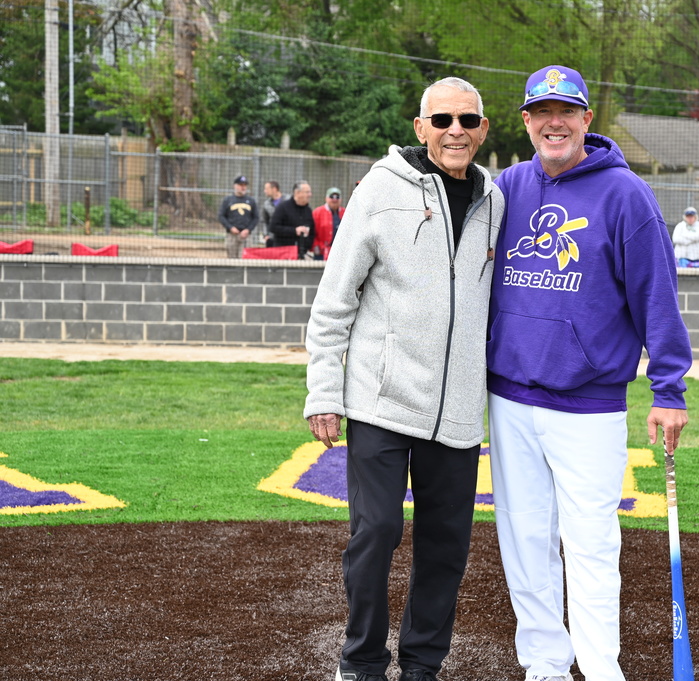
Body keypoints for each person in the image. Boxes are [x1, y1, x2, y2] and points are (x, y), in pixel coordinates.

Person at [485, 65, 692, 681]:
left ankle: (602, 670)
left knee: (591, 548)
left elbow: (658, 295)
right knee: (525, 546)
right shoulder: (507, 188)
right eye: (541, 112)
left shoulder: (626, 194)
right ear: (526, 121)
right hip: (510, 396)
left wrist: (669, 388)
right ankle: (545, 666)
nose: (554, 123)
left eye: (566, 111)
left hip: (589, 404)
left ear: (585, 119)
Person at [304, 76, 503, 681]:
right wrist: (323, 392)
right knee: (378, 531)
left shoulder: (496, 203)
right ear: (421, 128)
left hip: (459, 412)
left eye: (467, 121)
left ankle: (421, 666)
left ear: (483, 130)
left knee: (446, 549)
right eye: (442, 120)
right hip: (381, 402)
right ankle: (360, 662)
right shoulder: (379, 192)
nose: (455, 132)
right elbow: (334, 302)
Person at [269, 181, 315, 259]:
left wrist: (307, 246)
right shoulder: (283, 207)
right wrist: (294, 231)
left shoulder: (308, 210)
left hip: (301, 254)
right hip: (283, 253)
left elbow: (312, 231)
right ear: (297, 193)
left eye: (310, 192)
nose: (310, 195)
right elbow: (273, 227)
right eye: (307, 192)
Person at [217, 175, 259, 258]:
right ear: (235, 186)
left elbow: (256, 217)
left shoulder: (251, 201)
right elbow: (221, 216)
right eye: (241, 185)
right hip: (232, 235)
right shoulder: (228, 200)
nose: (243, 187)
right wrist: (230, 227)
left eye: (245, 185)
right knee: (232, 259)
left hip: (246, 236)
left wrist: (248, 229)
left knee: (245, 259)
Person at [312, 186, 346, 260]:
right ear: (326, 198)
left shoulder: (346, 213)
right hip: (322, 252)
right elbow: (312, 233)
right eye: (332, 197)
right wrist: (316, 246)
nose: (334, 199)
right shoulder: (317, 212)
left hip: (341, 252)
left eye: (337, 197)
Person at [261, 180, 289, 246]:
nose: (265, 191)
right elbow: (264, 221)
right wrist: (266, 235)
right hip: (272, 238)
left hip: (287, 237)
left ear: (274, 189)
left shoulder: (288, 200)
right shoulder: (266, 204)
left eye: (266, 189)